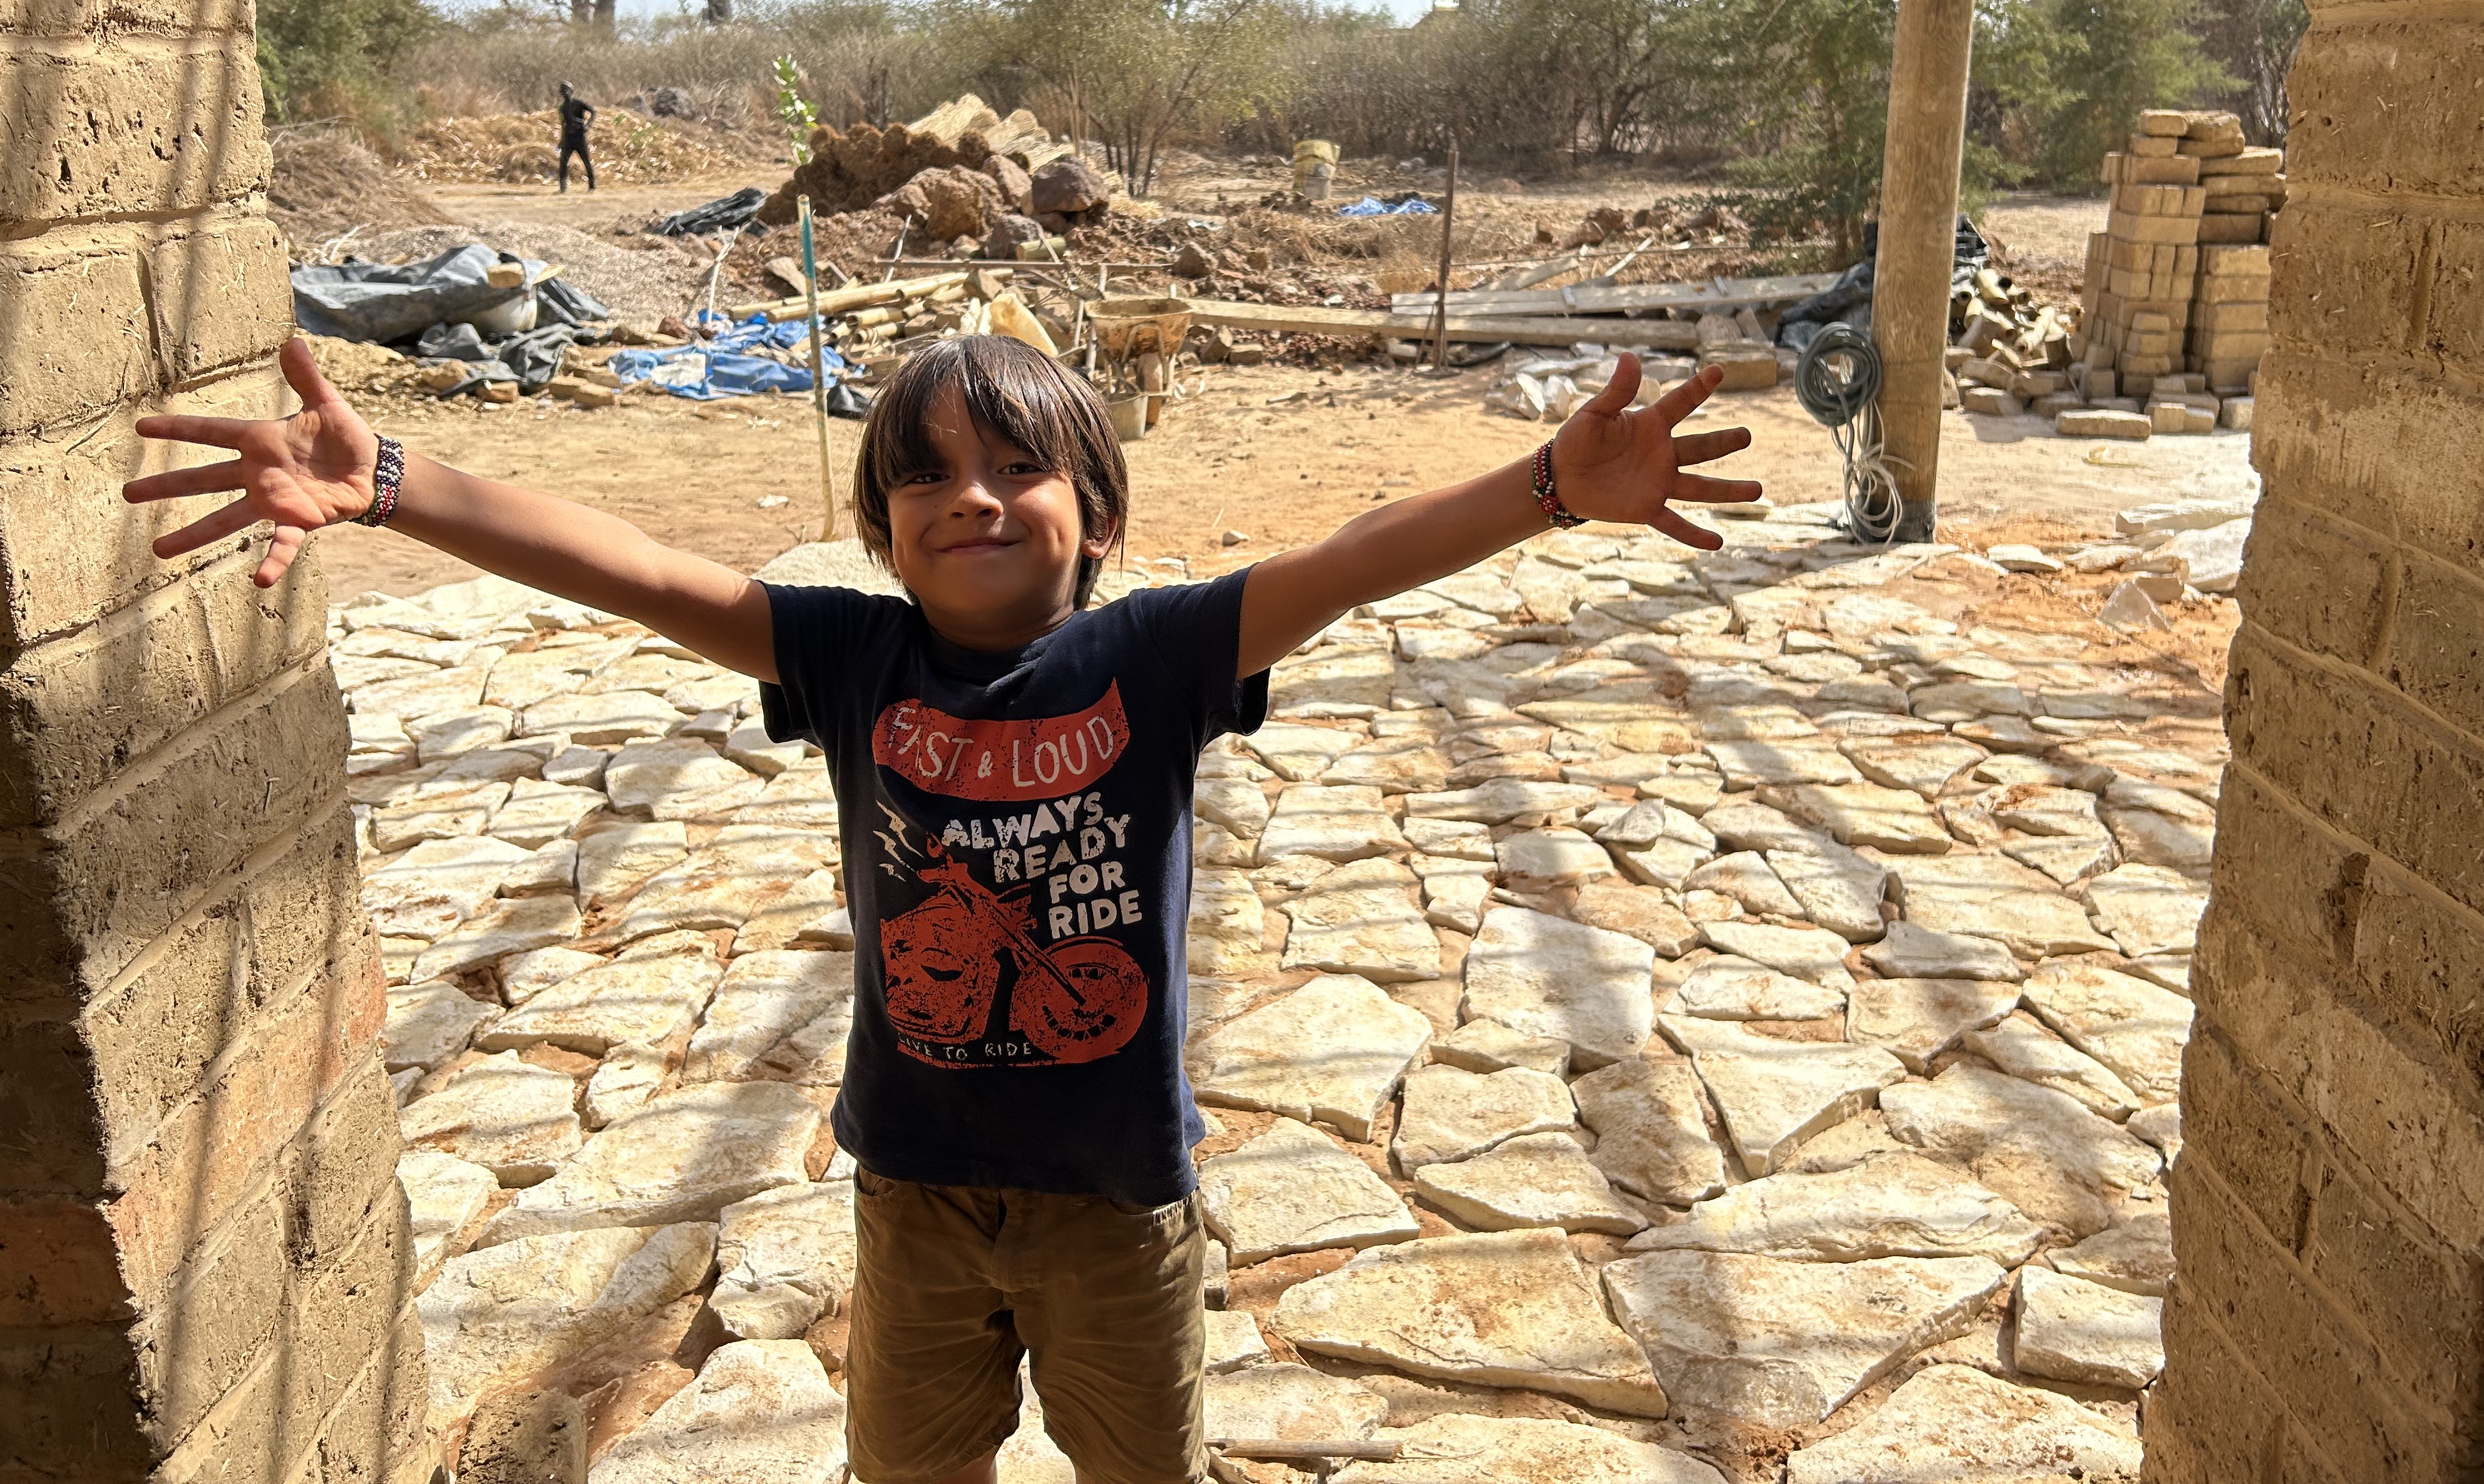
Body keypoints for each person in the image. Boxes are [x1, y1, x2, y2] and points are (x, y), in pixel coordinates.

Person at [122, 334, 1758, 1484]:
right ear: (882, 536)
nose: (971, 495)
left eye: (1017, 466)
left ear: (1098, 517)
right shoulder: (853, 662)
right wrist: (396, 479)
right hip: (913, 1198)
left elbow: (1358, 554)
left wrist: (1546, 484)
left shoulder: (1160, 657)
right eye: (926, 478)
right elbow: (633, 565)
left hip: (1119, 1203)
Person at [557, 80, 595, 192]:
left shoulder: (579, 103)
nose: (565, 92)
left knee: (586, 161)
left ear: (571, 91)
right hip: (568, 138)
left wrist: (588, 125)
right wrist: (562, 140)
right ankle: (563, 187)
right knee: (563, 163)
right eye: (562, 90)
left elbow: (593, 112)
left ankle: (592, 186)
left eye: (566, 90)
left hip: (579, 137)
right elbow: (563, 124)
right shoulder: (562, 108)